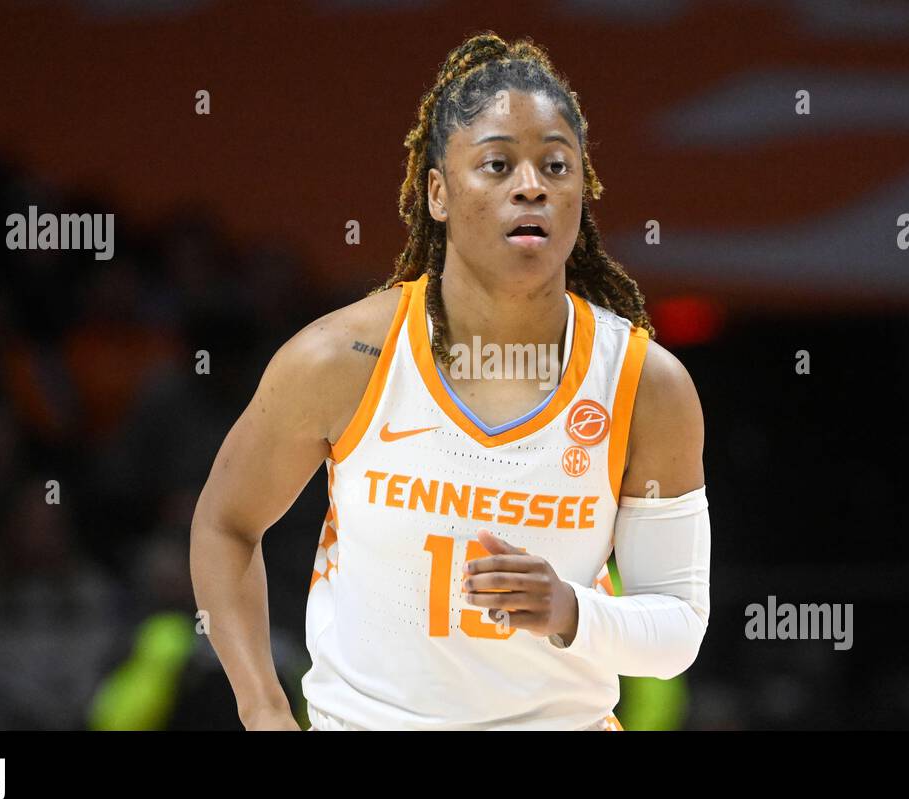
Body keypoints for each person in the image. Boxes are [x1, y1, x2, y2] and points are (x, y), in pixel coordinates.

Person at [190, 32, 710, 730]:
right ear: (436, 191)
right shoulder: (341, 359)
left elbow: (677, 628)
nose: (531, 185)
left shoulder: (647, 385)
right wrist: (262, 707)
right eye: (498, 164)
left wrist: (570, 609)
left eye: (556, 166)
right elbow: (224, 524)